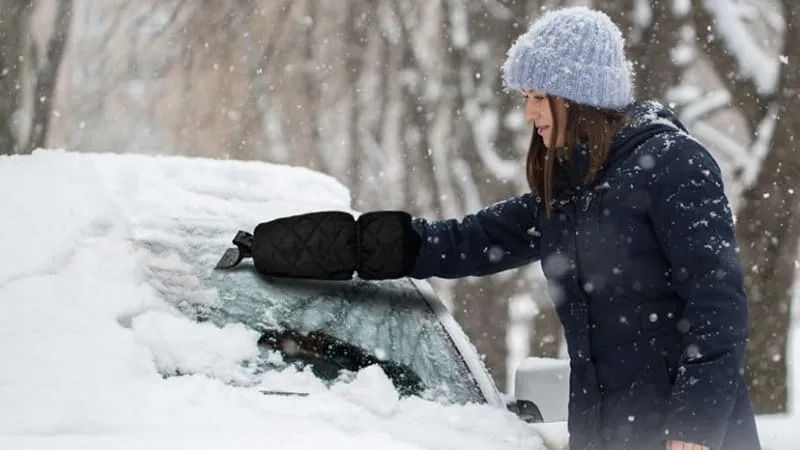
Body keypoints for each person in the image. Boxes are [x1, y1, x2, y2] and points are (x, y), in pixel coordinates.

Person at [218, 6, 760, 450]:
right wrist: (278, 247)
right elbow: (451, 245)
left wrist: (694, 431)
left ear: (576, 97)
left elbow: (718, 306)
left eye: (536, 98)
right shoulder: (566, 194)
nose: (529, 115)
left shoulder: (673, 164)